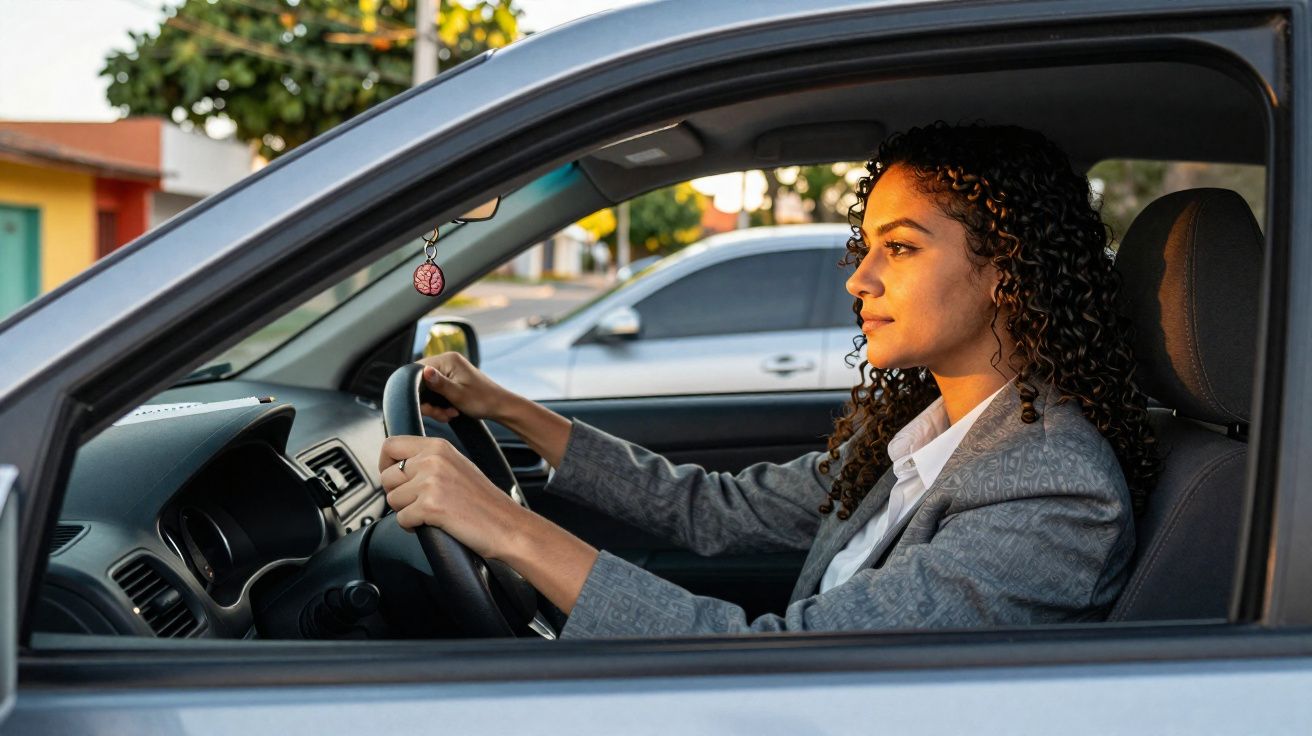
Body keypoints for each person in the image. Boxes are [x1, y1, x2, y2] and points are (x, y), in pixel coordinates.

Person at [378, 122, 1160, 637]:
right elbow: (708, 510)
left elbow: (796, 662)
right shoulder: (919, 434)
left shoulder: (1055, 490)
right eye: (867, 245)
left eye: (902, 247)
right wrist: (504, 406)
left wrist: (505, 528)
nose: (859, 279)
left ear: (1005, 273)